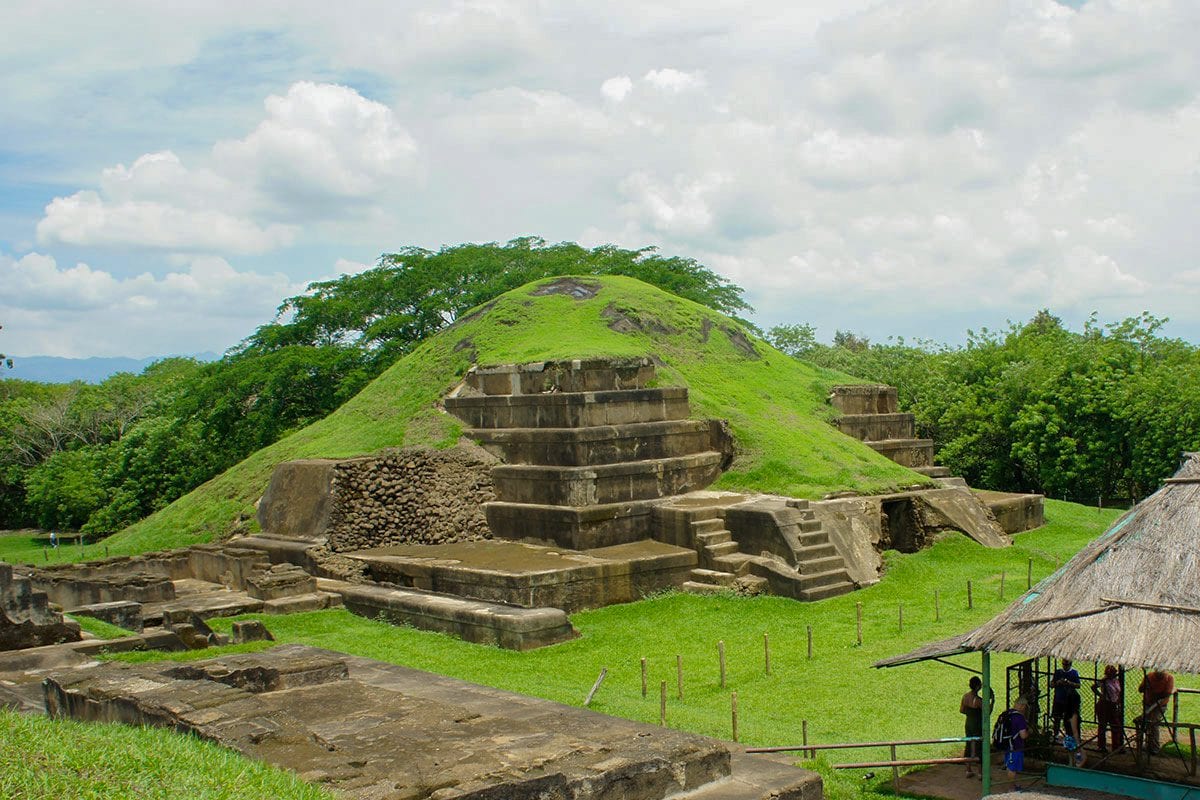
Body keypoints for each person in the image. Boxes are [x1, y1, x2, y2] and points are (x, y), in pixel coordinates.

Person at [1137, 669, 1176, 753]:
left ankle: (1154, 747)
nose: (1158, 676)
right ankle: (1147, 745)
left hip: (1159, 706)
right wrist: (1146, 686)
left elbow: (1167, 693)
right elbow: (1140, 689)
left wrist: (1155, 695)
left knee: (1154, 724)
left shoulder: (1169, 678)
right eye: (1157, 674)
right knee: (1146, 723)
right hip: (1148, 704)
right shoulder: (1149, 676)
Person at [1051, 658, 1081, 744]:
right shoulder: (1058, 672)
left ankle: (1069, 736)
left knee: (1068, 720)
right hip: (1058, 699)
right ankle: (1055, 735)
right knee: (1056, 718)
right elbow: (1052, 684)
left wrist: (1069, 683)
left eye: (1067, 665)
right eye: (1063, 664)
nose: (1065, 666)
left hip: (1069, 701)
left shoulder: (1074, 672)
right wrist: (1058, 682)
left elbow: (1078, 685)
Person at [1003, 697, 1031, 789]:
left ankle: (1013, 785)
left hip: (1007, 744)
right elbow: (1023, 735)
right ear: (1022, 706)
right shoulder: (1019, 717)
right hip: (1015, 746)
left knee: (1010, 765)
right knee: (1012, 768)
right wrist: (1029, 732)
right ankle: (1011, 788)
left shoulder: (1008, 713)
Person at [1094, 665, 1123, 753]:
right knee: (1102, 725)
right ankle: (1101, 746)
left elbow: (1118, 692)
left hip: (1113, 704)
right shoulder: (1104, 681)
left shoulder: (1116, 681)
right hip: (1104, 704)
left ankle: (1116, 746)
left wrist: (1118, 702)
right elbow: (1094, 687)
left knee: (1116, 725)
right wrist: (1101, 695)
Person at [960, 676, 983, 777]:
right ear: (978, 686)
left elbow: (962, 710)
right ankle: (980, 772)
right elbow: (987, 712)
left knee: (968, 744)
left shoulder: (965, 697)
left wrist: (970, 713)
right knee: (979, 746)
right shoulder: (978, 700)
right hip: (977, 724)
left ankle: (968, 770)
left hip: (968, 723)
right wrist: (992, 702)